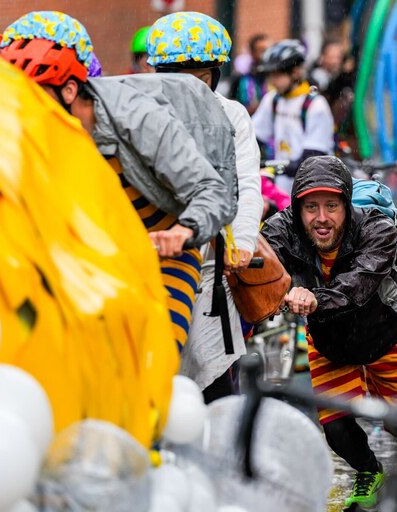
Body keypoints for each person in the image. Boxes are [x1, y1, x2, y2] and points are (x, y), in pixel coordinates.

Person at [0, 11, 232, 351]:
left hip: (166, 252)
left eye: (33, 96)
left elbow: (210, 190)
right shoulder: (31, 135)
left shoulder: (137, 117)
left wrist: (184, 232)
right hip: (100, 254)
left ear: (67, 89)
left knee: (154, 354)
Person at [261, 156, 397, 508]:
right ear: (297, 208)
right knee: (335, 428)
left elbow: (357, 287)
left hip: (387, 334)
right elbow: (255, 256)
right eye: (311, 207)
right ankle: (369, 472)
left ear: (347, 206)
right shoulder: (282, 228)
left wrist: (313, 298)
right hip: (330, 343)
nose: (321, 218)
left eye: (331, 206)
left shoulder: (377, 230)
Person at [147, 11, 264, 402]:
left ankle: (221, 457)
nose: (191, 90)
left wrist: (243, 242)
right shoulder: (140, 116)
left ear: (214, 75)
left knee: (213, 372)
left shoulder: (232, 115)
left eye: (200, 79)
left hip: (214, 263)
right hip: (152, 261)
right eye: (179, 78)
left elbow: (247, 183)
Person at [252, 39, 335, 194]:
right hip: (281, 190)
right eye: (270, 75)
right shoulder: (272, 99)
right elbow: (254, 138)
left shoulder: (316, 106)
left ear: (295, 72)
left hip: (311, 189)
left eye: (277, 75)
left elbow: (312, 159)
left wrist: (270, 166)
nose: (272, 81)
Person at [228, 33, 272, 115]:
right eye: (263, 50)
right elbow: (232, 106)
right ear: (252, 52)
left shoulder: (274, 76)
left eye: (270, 49)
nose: (268, 53)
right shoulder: (241, 77)